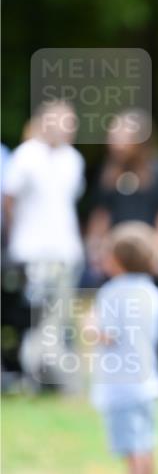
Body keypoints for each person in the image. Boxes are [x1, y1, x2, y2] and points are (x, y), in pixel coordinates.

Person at [85, 109, 158, 378]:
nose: (113, 140)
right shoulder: (109, 173)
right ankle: (120, 367)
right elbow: (101, 213)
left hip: (146, 255)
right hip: (117, 257)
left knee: (155, 311)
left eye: (121, 135)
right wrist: (96, 247)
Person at [2, 101, 85, 390]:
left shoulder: (73, 160)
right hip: (31, 252)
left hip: (65, 252)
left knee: (57, 321)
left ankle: (43, 376)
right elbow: (9, 201)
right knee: (36, 318)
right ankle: (34, 375)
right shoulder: (26, 157)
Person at [89, 221, 158, 474]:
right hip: (147, 381)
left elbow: (107, 333)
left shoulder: (112, 293)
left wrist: (90, 326)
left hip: (120, 384)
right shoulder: (152, 293)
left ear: (117, 259)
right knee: (146, 445)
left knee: (132, 449)